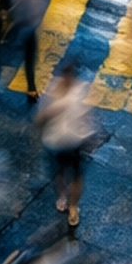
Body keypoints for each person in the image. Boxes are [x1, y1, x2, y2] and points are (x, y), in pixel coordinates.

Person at [36, 60, 95, 230]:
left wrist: (87, 135)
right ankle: (63, 196)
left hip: (74, 143)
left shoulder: (80, 91)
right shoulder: (51, 91)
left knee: (75, 176)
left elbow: (88, 117)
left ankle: (73, 206)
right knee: (59, 173)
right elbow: (40, 118)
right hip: (54, 143)